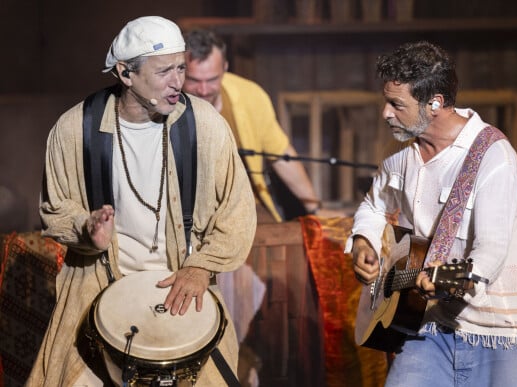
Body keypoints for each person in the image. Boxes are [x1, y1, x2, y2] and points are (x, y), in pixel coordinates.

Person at [26, 16, 256, 387]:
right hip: (97, 284)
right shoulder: (74, 129)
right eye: (164, 70)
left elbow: (237, 210)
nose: (178, 81)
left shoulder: (204, 125)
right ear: (125, 73)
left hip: (182, 286)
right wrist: (86, 231)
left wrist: (201, 267)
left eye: (181, 68)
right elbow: (56, 208)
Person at [348, 41, 517, 387]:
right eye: (386, 101)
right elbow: (374, 205)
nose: (385, 113)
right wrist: (363, 241)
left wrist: (454, 279)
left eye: (397, 104)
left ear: (435, 103)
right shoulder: (399, 152)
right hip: (426, 325)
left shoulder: (492, 155)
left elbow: (492, 247)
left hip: (499, 329)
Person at [182, 29, 338, 223]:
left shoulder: (250, 95)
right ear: (179, 72)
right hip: (190, 214)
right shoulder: (168, 105)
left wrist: (314, 208)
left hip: (248, 209)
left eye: (212, 80)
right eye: (194, 80)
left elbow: (281, 155)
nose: (203, 90)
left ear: (225, 68)